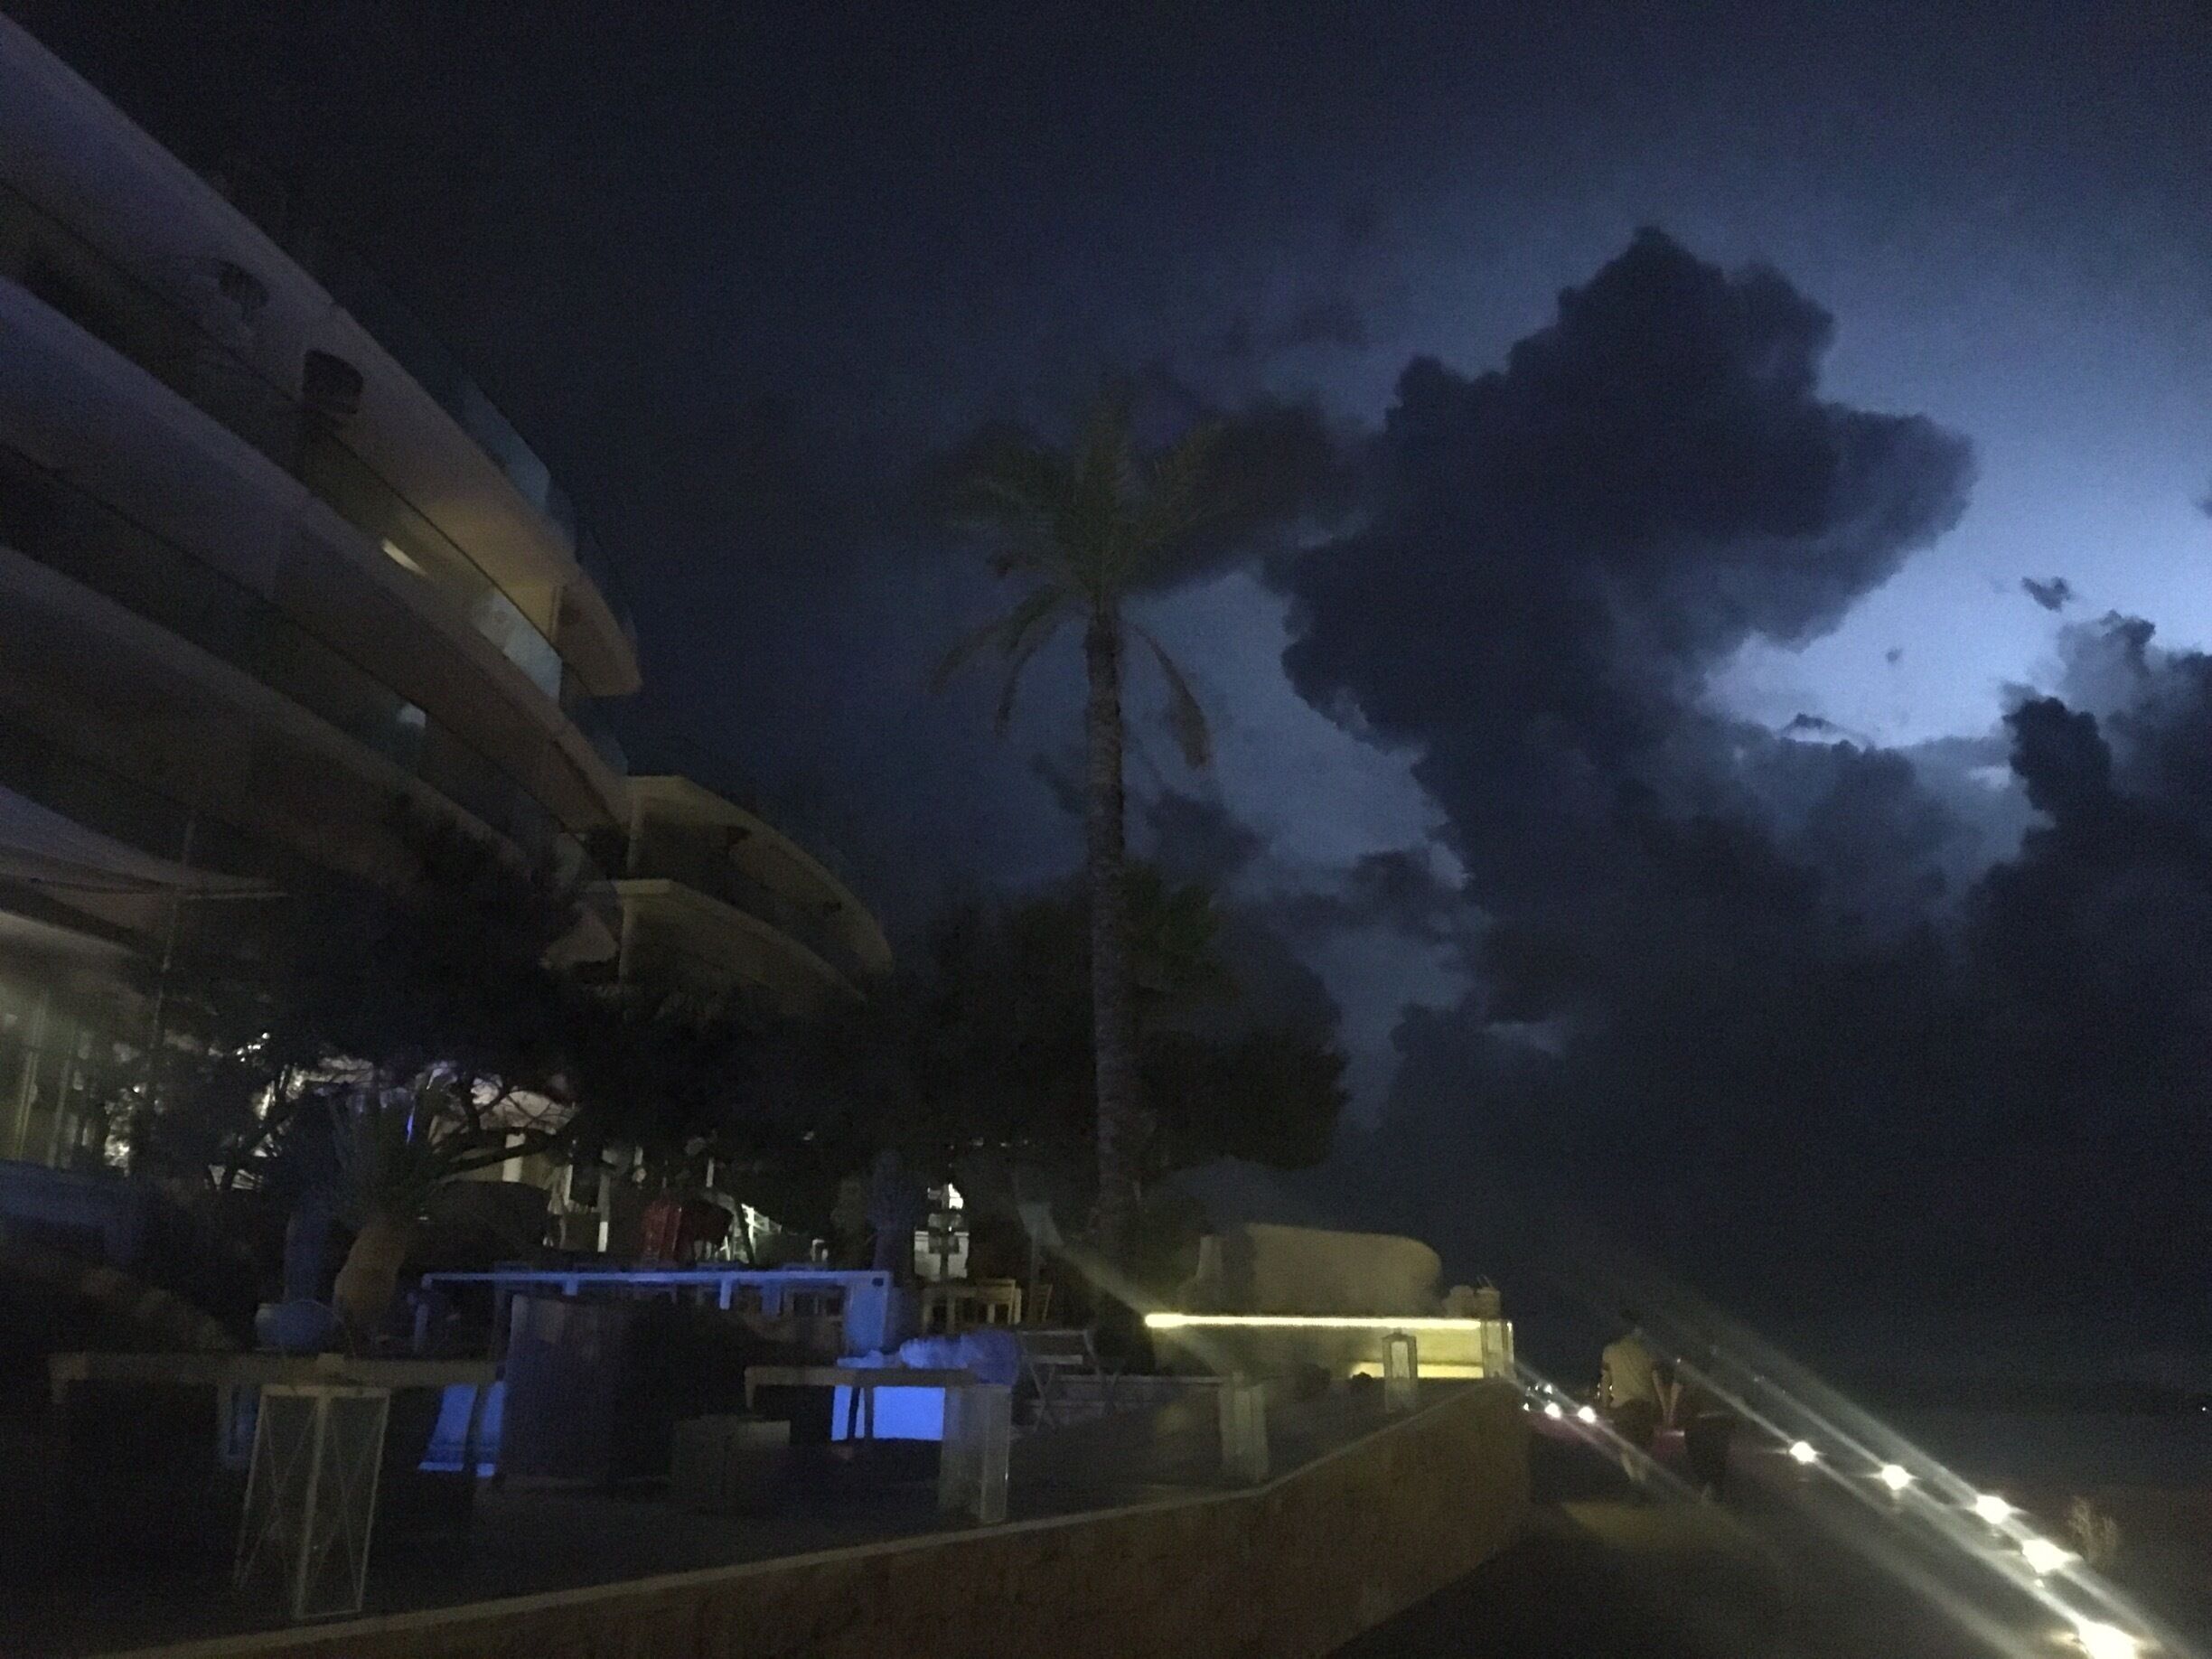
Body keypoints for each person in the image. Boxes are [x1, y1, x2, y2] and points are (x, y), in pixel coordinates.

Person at [1600, 1310, 1661, 1486]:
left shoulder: (1610, 1351)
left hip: (1622, 1408)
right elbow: (1656, 1382)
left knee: (1626, 1449)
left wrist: (1605, 1406)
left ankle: (1634, 1482)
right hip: (1645, 1407)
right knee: (1644, 1450)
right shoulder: (1649, 1352)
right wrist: (1663, 1405)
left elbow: (1605, 1381)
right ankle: (1641, 1484)